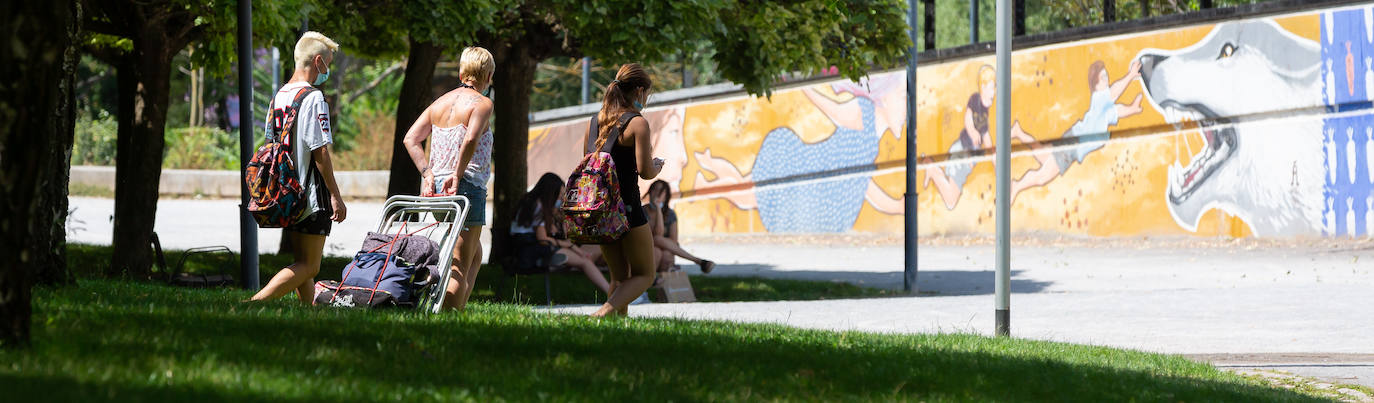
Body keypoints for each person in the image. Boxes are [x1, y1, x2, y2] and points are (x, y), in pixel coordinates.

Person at [249, 32, 348, 303]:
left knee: (301, 259)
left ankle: (308, 313)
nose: (328, 69)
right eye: (327, 62)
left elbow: (271, 141)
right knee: (311, 265)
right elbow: (321, 151)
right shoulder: (314, 97)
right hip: (310, 192)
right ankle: (256, 302)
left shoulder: (279, 95)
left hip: (286, 191)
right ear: (318, 61)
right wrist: (335, 195)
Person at [402, 47, 495, 311]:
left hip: (437, 191)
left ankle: (460, 309)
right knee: (459, 264)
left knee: (474, 253)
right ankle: (448, 318)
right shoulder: (483, 104)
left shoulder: (439, 103)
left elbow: (411, 139)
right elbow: (470, 138)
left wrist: (427, 173)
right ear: (488, 75)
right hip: (464, 187)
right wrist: (456, 173)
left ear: (461, 72)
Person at [584, 63, 664, 317]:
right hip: (628, 207)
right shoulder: (637, 124)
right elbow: (645, 171)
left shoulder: (594, 122)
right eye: (647, 94)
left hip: (599, 207)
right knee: (645, 274)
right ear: (639, 91)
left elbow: (589, 164)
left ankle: (616, 329)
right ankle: (602, 314)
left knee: (619, 278)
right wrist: (657, 166)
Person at [1008, 59, 1144, 203]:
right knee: (1042, 177)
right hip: (1073, 145)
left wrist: (1132, 109)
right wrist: (1130, 75)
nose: (1108, 79)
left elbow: (1116, 111)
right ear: (1096, 85)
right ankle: (1016, 186)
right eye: (1103, 77)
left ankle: (1019, 132)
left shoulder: (1103, 110)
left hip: (1073, 142)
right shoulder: (1100, 98)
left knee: (1044, 156)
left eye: (1107, 76)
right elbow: (1114, 92)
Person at [511, 173, 611, 294]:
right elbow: (542, 238)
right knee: (585, 261)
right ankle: (612, 293)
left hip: (531, 248)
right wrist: (569, 246)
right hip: (531, 251)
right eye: (558, 197)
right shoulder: (538, 205)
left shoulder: (532, 202)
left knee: (594, 253)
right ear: (550, 194)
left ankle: (615, 288)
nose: (559, 201)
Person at [922, 65, 995, 210]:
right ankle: (932, 169)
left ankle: (933, 170)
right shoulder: (975, 99)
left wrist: (997, 163)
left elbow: (987, 140)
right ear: (984, 87)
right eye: (993, 87)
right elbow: (967, 118)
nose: (995, 91)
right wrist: (973, 130)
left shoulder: (985, 114)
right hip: (960, 154)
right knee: (950, 201)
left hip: (966, 160)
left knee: (951, 200)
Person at [642, 180, 714, 273]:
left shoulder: (670, 214)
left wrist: (659, 210)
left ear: (666, 196)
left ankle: (658, 281)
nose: (657, 194)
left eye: (661, 191)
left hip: (664, 251)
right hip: (647, 249)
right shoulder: (642, 211)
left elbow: (673, 241)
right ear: (649, 192)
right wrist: (658, 210)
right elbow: (656, 235)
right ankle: (698, 261)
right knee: (657, 244)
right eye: (654, 190)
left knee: (665, 253)